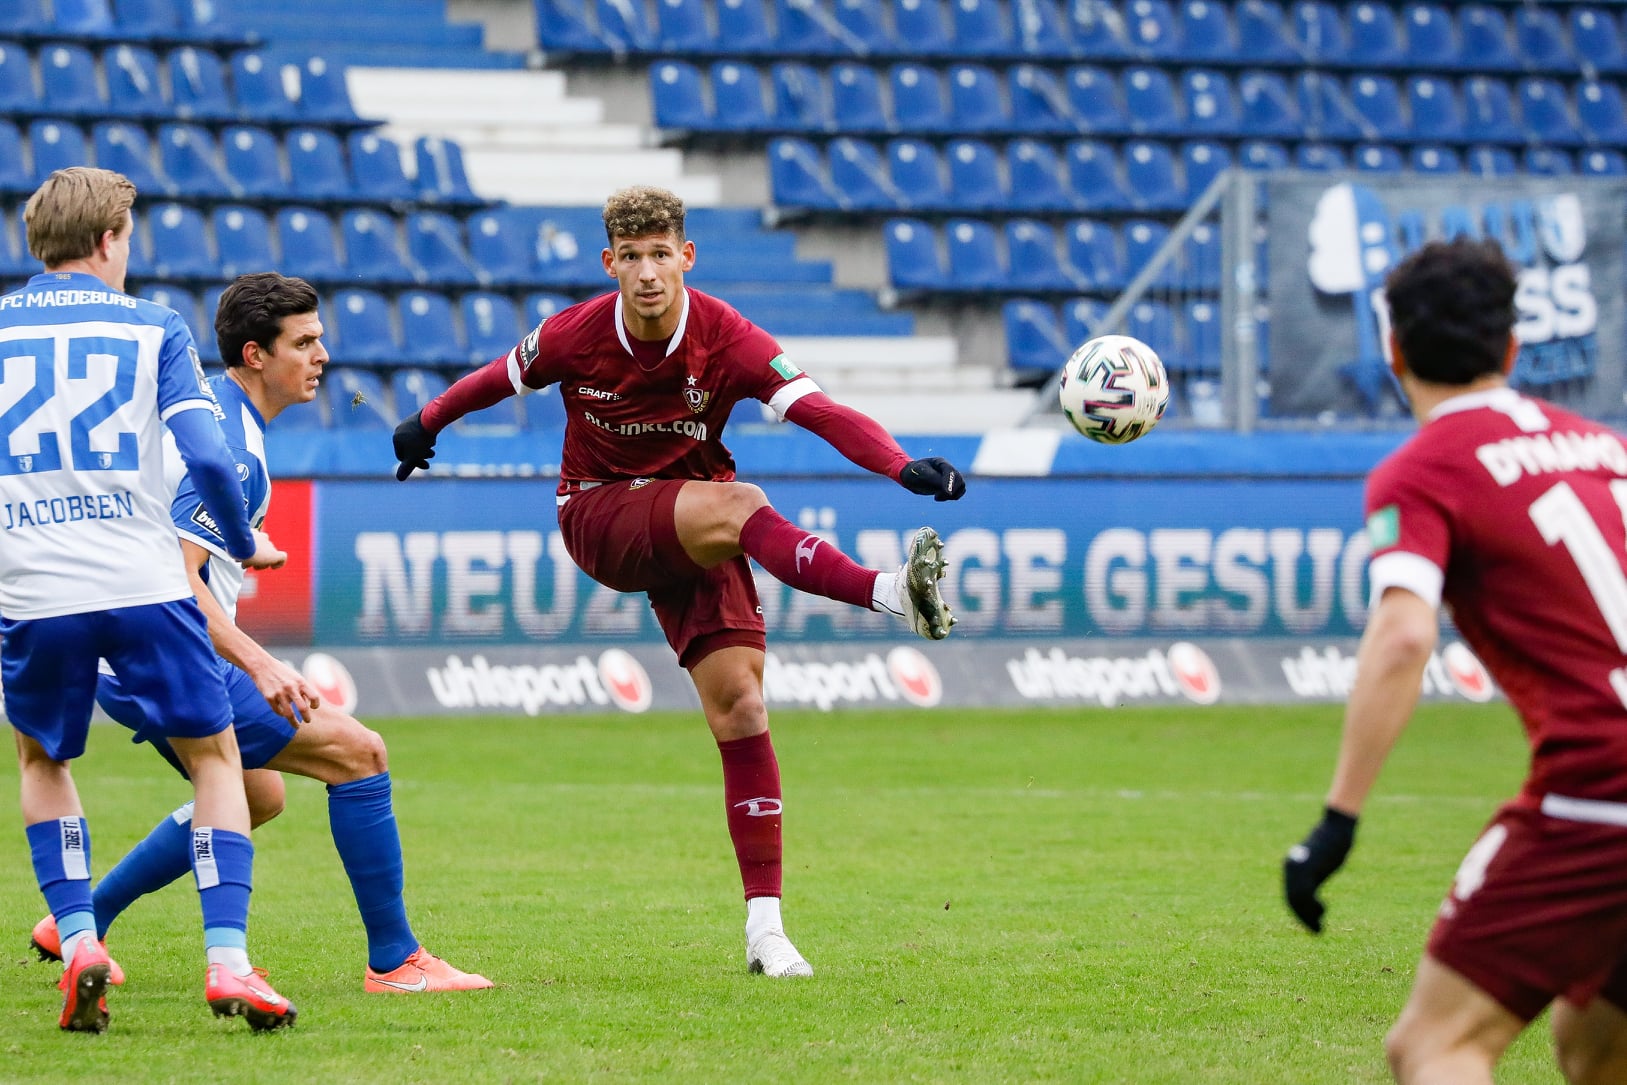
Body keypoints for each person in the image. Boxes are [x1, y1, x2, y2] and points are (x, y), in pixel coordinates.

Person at [392, 185, 966, 978]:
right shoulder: (575, 333)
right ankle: (891, 592)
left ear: (685, 256)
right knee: (742, 503)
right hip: (598, 514)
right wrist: (424, 422)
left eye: (660, 254)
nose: (647, 272)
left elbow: (818, 410)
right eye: (630, 257)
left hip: (690, 520)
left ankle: (766, 931)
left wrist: (898, 464)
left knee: (742, 708)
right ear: (609, 263)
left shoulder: (728, 336)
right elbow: (496, 378)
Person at [28, 272, 491, 995]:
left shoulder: (215, 409)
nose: (322, 356)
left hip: (125, 651)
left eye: (319, 339)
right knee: (360, 754)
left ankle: (79, 922)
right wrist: (260, 662)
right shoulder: (233, 447)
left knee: (258, 796)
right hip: (163, 652)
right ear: (255, 354)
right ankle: (396, 960)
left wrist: (245, 545)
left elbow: (173, 536)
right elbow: (176, 577)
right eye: (303, 343)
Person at [1283, 236, 1627, 1084]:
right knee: (1595, 1045)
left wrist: (1337, 819)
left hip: (1599, 792)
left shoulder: (1423, 469)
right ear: (1511, 348)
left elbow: (1403, 635)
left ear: (1392, 351)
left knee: (1435, 1046)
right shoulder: (1604, 447)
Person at [0, 168, 295, 1032]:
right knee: (216, 760)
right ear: (108, 239)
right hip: (142, 579)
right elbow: (205, 457)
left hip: (33, 582)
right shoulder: (153, 325)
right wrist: (241, 539)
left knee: (44, 762)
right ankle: (228, 961)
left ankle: (80, 939)